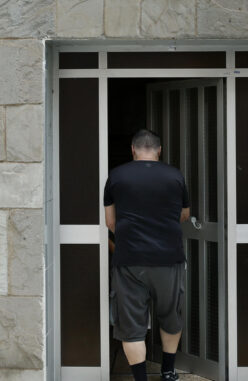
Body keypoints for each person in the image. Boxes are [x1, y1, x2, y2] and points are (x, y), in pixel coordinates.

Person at [104, 129, 190, 381]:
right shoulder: (175, 176)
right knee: (170, 315)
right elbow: (184, 214)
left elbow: (110, 222)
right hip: (168, 259)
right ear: (159, 150)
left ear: (133, 149)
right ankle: (168, 371)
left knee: (132, 326)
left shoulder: (116, 176)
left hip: (129, 260)